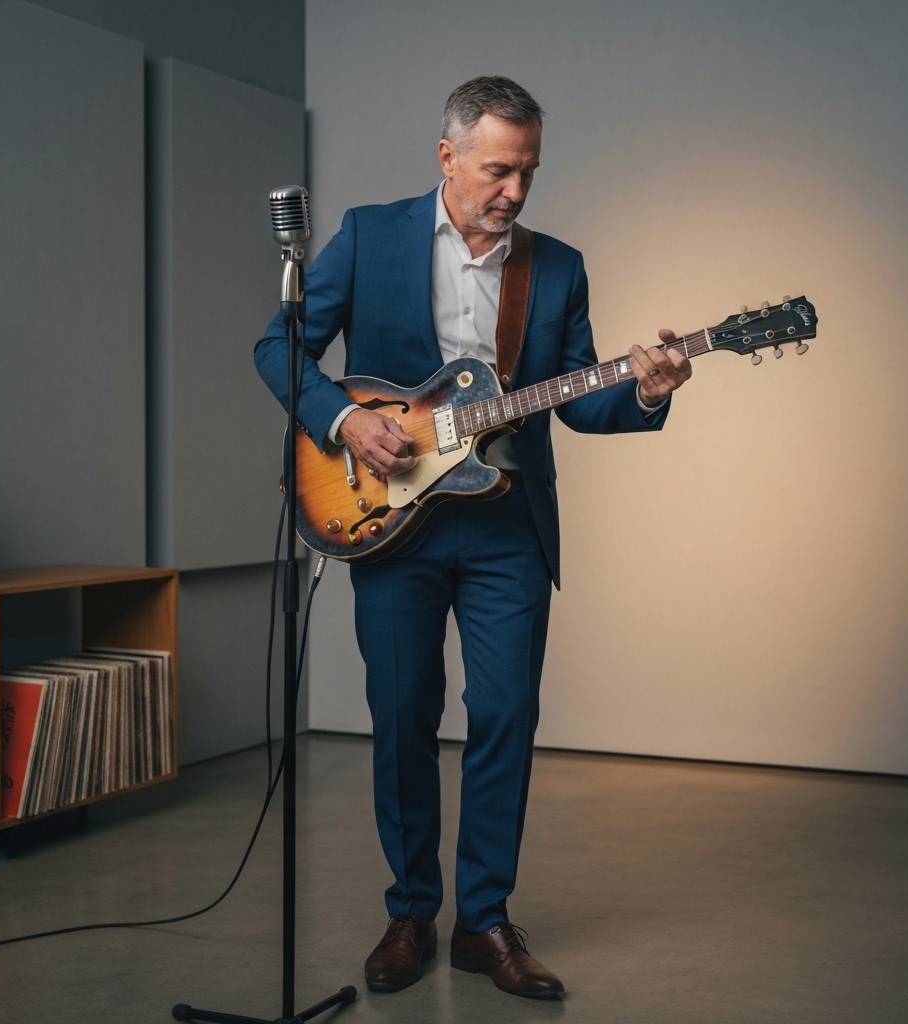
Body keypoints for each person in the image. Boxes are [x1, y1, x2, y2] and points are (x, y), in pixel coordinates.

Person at [255, 76, 691, 1000]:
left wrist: (646, 389)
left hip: (505, 528)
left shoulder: (557, 264)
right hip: (390, 522)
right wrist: (341, 423)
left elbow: (580, 397)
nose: (516, 191)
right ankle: (411, 911)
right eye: (499, 169)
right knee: (405, 715)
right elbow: (280, 348)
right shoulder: (371, 236)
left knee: (505, 718)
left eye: (529, 171)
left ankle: (483, 923)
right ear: (448, 156)